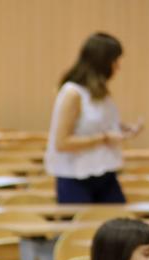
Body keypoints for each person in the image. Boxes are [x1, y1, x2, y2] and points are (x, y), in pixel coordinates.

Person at [44, 32, 141, 204]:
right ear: (103, 62)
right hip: (76, 176)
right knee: (82, 229)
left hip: (104, 170)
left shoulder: (99, 92)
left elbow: (95, 125)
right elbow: (62, 142)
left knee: (116, 226)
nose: (118, 67)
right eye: (115, 60)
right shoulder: (72, 93)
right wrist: (104, 138)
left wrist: (121, 128)